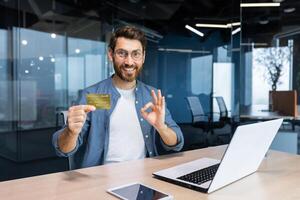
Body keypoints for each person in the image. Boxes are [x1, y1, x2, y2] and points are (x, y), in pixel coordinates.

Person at [52, 26, 184, 169]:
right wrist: (70, 133)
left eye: (136, 54)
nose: (129, 62)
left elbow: (176, 143)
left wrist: (161, 127)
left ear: (143, 56)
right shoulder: (95, 96)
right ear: (111, 54)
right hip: (100, 180)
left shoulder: (152, 96)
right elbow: (63, 150)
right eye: (122, 53)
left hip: (145, 176)